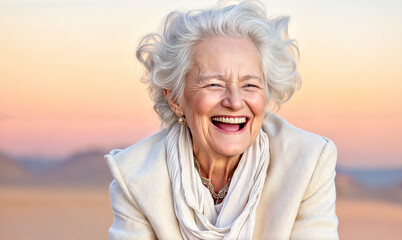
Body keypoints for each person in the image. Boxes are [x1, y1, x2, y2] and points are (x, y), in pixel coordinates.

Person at [105, 0, 339, 239]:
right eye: (214, 84)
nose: (235, 101)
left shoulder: (307, 162)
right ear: (175, 99)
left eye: (250, 85)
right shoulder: (135, 175)